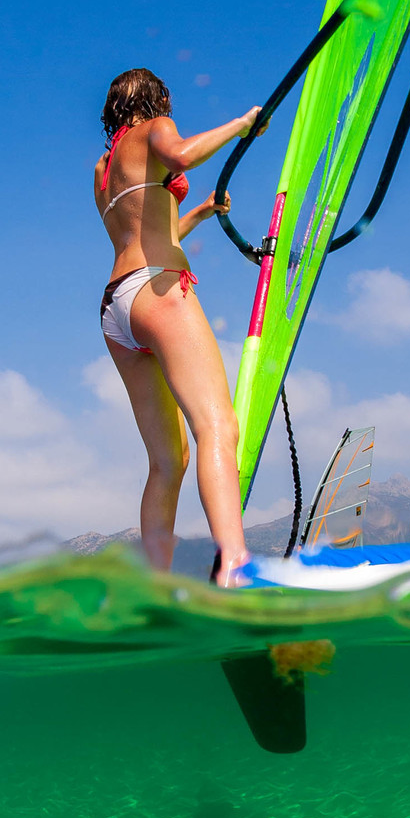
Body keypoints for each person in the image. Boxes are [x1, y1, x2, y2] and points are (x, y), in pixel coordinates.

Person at [95, 67, 264, 583]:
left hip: (117, 307)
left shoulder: (104, 168)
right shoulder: (156, 128)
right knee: (218, 428)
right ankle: (233, 564)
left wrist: (204, 211)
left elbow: (145, 228)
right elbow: (183, 155)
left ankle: (155, 589)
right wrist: (242, 124)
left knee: (168, 462)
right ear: (157, 100)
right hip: (160, 291)